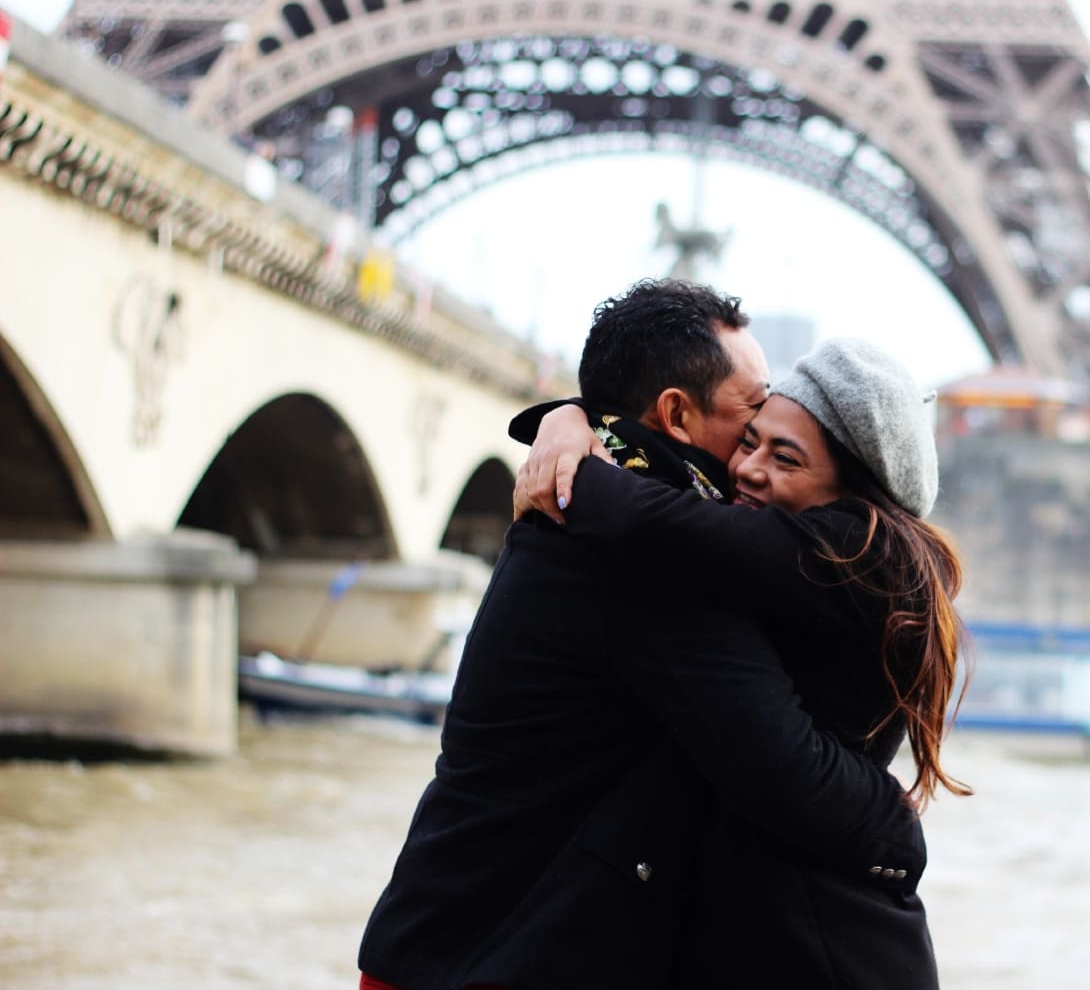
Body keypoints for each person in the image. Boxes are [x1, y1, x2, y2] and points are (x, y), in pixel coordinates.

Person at [358, 281, 925, 990]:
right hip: (499, 955)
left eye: (782, 452)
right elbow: (785, 775)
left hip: (449, 940)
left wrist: (567, 419)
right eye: (751, 418)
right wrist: (897, 831)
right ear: (677, 414)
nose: (751, 456)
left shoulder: (596, 508)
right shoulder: (651, 565)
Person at [517, 336, 971, 989]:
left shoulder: (858, 550)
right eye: (750, 441)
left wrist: (571, 453)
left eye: (785, 458)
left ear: (854, 493)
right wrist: (569, 417)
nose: (748, 468)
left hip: (825, 949)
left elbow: (658, 525)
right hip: (797, 931)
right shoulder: (815, 564)